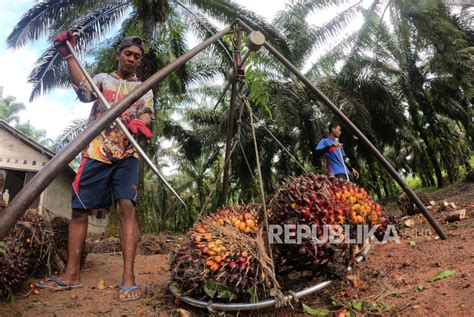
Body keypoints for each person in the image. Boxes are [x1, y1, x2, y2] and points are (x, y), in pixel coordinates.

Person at [35, 31, 154, 302]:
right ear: (119, 55)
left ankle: (128, 279)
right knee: (79, 210)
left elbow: (147, 112)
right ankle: (71, 274)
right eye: (128, 53)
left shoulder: (145, 88)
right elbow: (84, 92)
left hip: (127, 155)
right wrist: (68, 57)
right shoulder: (101, 79)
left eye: (137, 56)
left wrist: (142, 124)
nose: (132, 59)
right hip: (96, 152)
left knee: (126, 207)